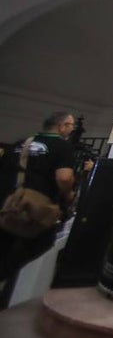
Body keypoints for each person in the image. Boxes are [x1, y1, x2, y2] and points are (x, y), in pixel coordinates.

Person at [0, 111, 76, 309]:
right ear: (62, 127)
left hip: (8, 205)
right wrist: (68, 195)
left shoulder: (20, 144)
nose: (72, 128)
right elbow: (64, 177)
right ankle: (8, 289)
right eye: (70, 124)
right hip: (36, 208)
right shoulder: (62, 147)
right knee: (38, 244)